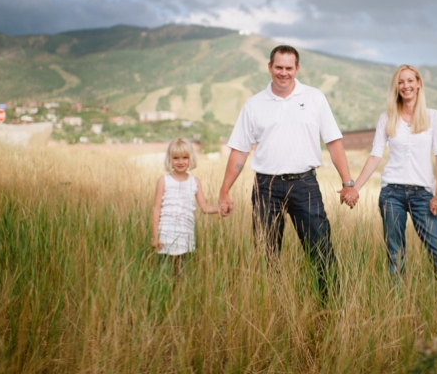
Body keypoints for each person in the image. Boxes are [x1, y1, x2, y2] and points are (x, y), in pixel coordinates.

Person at [218, 45, 358, 301]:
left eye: (289, 68)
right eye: (279, 67)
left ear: (297, 69)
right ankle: (274, 308)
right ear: (270, 67)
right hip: (265, 187)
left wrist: (348, 183)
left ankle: (330, 307)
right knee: (265, 253)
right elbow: (239, 151)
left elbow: (334, 141)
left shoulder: (314, 98)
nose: (284, 73)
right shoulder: (254, 105)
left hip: (304, 185)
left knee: (320, 250)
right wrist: (224, 190)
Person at [351, 64, 437, 283]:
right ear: (396, 87)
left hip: (423, 195)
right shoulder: (387, 118)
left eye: (409, 81)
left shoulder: (434, 117)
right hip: (392, 194)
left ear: (418, 83)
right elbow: (375, 156)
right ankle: (397, 310)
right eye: (400, 82)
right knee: (395, 258)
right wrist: (355, 188)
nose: (405, 86)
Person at [151, 137, 219, 274]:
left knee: (181, 271)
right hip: (165, 234)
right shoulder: (163, 181)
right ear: (170, 159)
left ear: (190, 159)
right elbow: (156, 209)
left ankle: (179, 294)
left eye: (184, 158)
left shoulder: (195, 182)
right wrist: (154, 236)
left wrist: (220, 208)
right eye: (176, 158)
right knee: (163, 270)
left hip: (184, 234)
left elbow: (205, 208)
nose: (180, 162)